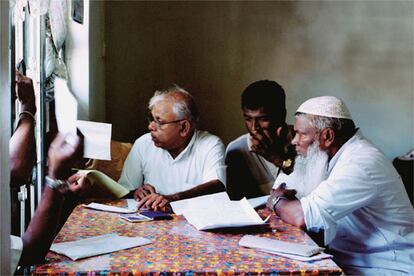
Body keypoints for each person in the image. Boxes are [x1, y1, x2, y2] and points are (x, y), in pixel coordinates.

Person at [267, 96, 414, 275]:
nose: (294, 141)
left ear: (327, 136)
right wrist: (284, 198)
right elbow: (295, 193)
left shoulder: (360, 162)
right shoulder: (328, 158)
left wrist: (276, 201)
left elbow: (300, 215)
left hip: (386, 267)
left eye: (302, 134)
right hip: (351, 261)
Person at [118, 85, 226, 210]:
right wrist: (136, 193)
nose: (151, 127)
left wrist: (171, 199)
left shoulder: (210, 145)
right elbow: (124, 191)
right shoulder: (144, 143)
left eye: (160, 122)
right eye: (152, 119)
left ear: (184, 127)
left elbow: (217, 187)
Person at [225, 80, 295, 200]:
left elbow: (311, 188)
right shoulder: (237, 150)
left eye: (263, 119)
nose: (254, 128)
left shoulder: (304, 141)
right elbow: (235, 202)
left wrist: (278, 159)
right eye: (248, 119)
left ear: (281, 115)